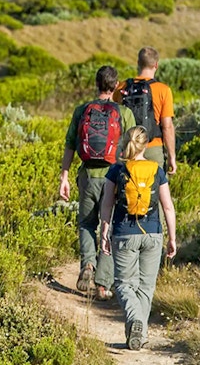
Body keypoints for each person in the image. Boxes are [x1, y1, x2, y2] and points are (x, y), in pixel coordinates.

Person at [59, 65, 135, 300]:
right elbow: (132, 148)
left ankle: (88, 265)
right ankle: (103, 284)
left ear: (96, 83)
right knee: (109, 226)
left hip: (87, 176)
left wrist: (64, 176)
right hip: (113, 177)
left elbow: (70, 144)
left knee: (86, 224)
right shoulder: (124, 113)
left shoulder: (82, 110)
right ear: (115, 86)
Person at [100, 126, 177, 351]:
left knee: (123, 284)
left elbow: (106, 203)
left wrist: (104, 230)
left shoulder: (116, 170)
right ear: (145, 145)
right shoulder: (157, 170)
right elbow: (168, 207)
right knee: (145, 287)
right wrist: (172, 238)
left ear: (126, 142)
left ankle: (135, 324)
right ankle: (138, 334)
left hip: (124, 233)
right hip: (153, 233)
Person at [120, 46, 177, 174]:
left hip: (128, 148)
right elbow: (167, 127)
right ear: (156, 65)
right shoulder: (163, 90)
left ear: (138, 63)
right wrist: (172, 157)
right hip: (153, 148)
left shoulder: (122, 87)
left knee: (127, 190)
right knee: (157, 190)